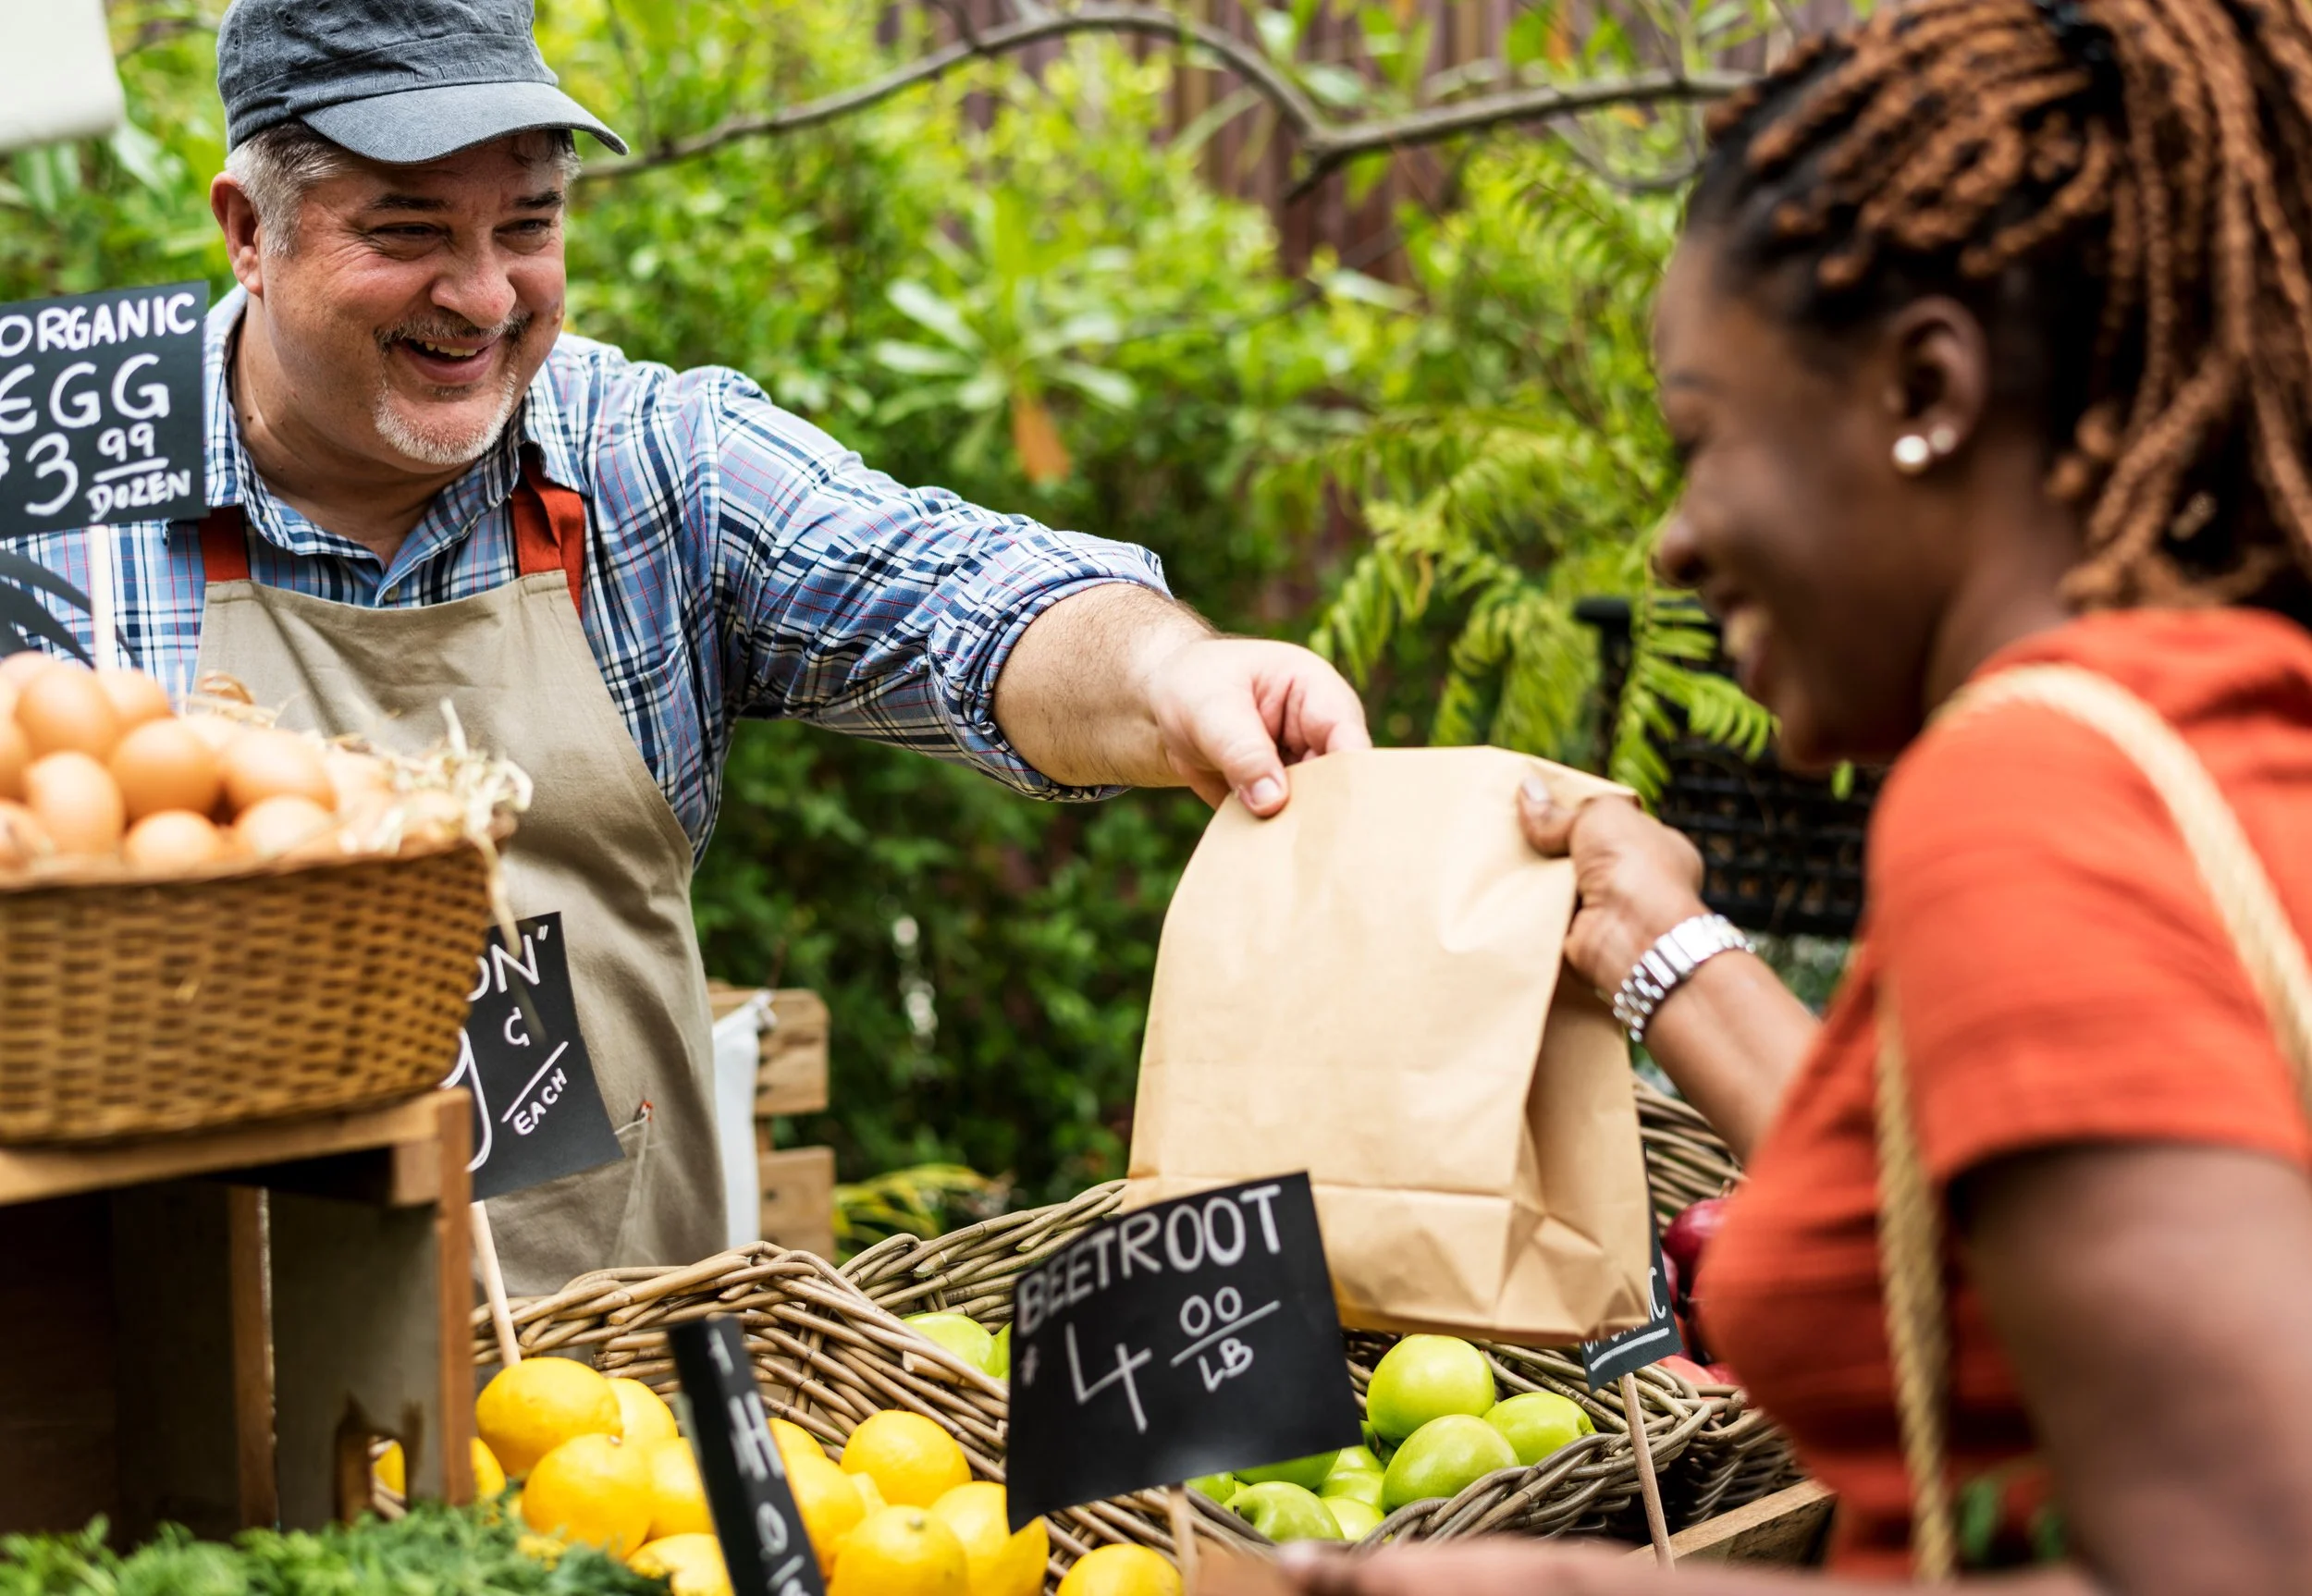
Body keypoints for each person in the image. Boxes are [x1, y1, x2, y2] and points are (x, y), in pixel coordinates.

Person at [6, 0, 1367, 1294]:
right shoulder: (52, 492)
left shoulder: (644, 461)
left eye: (527, 225)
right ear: (251, 230)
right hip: (188, 1430)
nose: (483, 296)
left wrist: (1171, 673)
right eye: (410, 229)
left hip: (618, 1423)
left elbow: (958, 591)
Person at [1256, 0, 2312, 1590]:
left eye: (1702, 439)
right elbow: (1969, 1229)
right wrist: (1655, 940)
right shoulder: (2211, 732)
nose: (1673, 540)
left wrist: (1570, 1583)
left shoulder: (2028, 794)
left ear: (1927, 388)